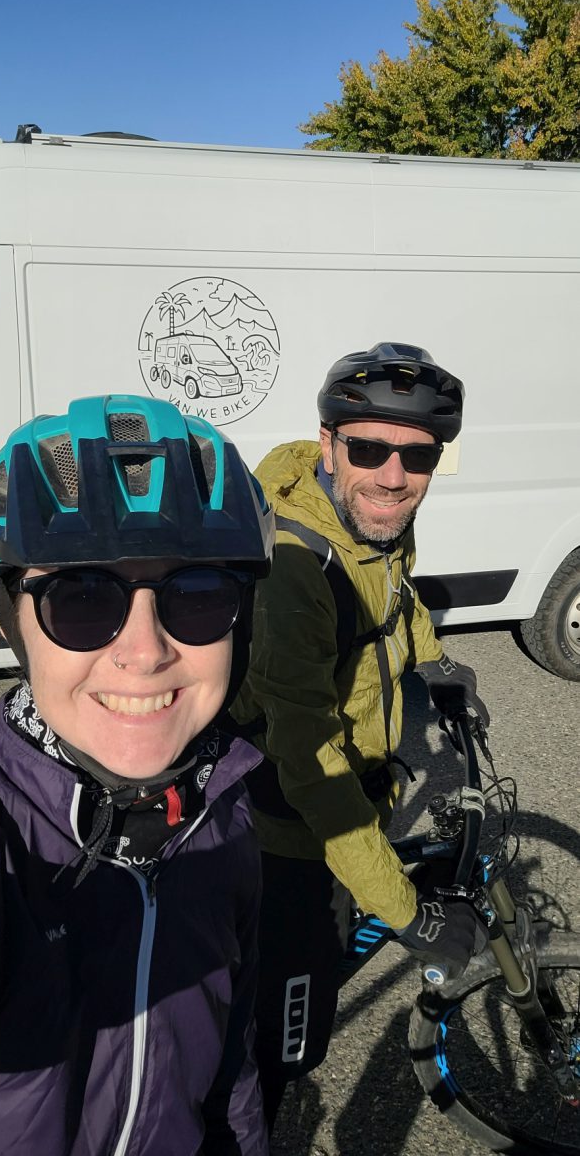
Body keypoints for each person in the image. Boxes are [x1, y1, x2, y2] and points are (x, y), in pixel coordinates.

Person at [0, 394, 274, 1156]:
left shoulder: (225, 817)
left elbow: (230, 1066)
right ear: (11, 621)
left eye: (197, 595)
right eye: (80, 597)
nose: (145, 652)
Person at [231, 342, 490, 1127]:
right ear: (327, 444)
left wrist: (434, 662)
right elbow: (312, 770)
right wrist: (408, 913)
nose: (393, 476)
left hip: (353, 787)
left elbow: (393, 601)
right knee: (287, 1041)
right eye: (369, 450)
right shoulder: (292, 569)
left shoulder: (373, 521)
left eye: (418, 456)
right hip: (288, 828)